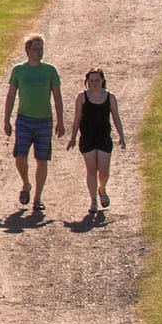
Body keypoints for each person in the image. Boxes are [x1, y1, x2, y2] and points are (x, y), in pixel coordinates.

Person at [2, 34, 64, 214]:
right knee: (20, 156)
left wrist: (60, 121)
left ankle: (37, 198)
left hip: (44, 120)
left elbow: (57, 96)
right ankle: (26, 183)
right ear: (28, 51)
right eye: (36, 49)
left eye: (41, 48)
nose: (39, 52)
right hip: (24, 120)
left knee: (42, 159)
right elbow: (11, 95)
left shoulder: (50, 71)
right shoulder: (19, 71)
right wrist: (6, 119)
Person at [66, 68, 126, 219]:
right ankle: (93, 200)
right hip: (87, 137)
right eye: (91, 81)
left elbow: (116, 117)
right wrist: (73, 137)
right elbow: (77, 118)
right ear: (88, 82)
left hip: (104, 137)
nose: (94, 83)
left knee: (104, 171)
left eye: (97, 80)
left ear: (102, 80)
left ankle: (102, 189)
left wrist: (122, 136)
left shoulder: (110, 97)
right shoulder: (82, 97)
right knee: (91, 170)